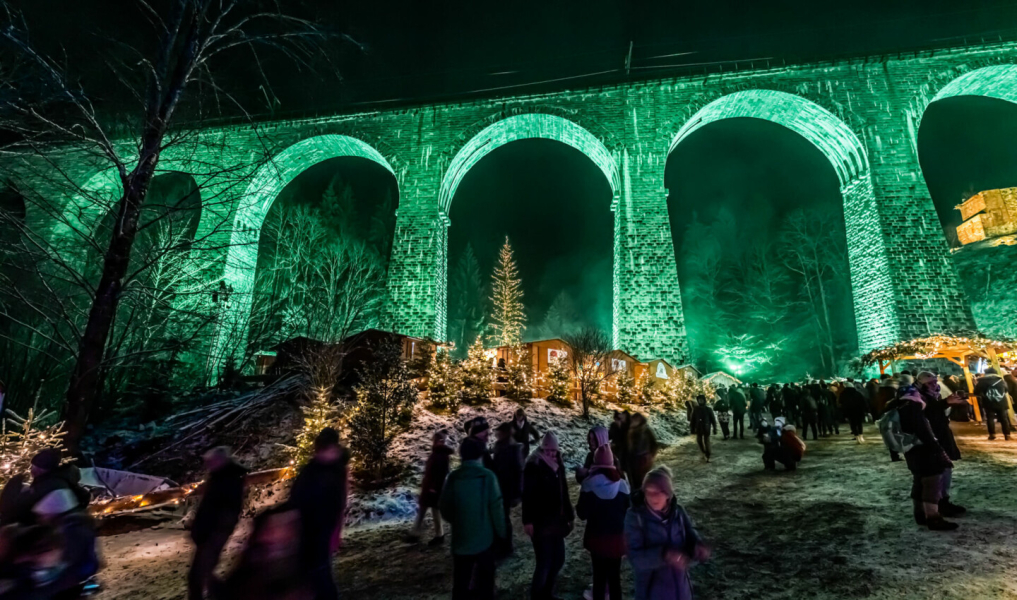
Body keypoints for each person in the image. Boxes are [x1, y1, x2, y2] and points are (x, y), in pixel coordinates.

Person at [625, 466, 709, 600]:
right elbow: (635, 559)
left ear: (668, 494)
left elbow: (690, 534)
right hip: (652, 593)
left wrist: (697, 547)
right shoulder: (636, 518)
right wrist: (664, 555)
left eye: (658, 491)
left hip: (681, 590)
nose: (653, 497)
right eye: (648, 491)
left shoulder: (678, 512)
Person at [440, 437, 506, 600]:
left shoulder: (453, 478)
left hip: (460, 541)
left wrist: (459, 521)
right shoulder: (488, 477)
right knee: (485, 585)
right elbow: (496, 509)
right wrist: (502, 533)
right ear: (480, 455)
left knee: (461, 584)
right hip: (485, 541)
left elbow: (445, 508)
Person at [288, 428, 350, 600]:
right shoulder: (317, 468)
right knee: (315, 569)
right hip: (310, 527)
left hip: (319, 528)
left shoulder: (332, 471)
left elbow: (334, 500)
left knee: (320, 569)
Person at [885, 385, 957, 530]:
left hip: (911, 451)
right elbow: (924, 432)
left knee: (919, 481)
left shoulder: (899, 407)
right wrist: (938, 450)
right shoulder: (913, 408)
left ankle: (920, 514)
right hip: (924, 451)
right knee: (932, 482)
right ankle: (933, 518)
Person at [187, 447, 247, 600]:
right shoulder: (219, 477)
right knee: (200, 574)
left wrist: (215, 532)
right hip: (208, 533)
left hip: (214, 534)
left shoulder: (229, 479)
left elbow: (227, 509)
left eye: (211, 461)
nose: (208, 465)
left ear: (221, 461)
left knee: (201, 574)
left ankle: (227, 595)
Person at [214, 505, 309, 600]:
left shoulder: (301, 580)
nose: (278, 533)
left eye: (290, 525)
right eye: (273, 527)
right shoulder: (246, 579)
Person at [523, 432, 574, 600]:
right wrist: (528, 520)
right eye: (548, 450)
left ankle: (547, 592)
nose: (552, 453)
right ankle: (538, 596)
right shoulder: (534, 465)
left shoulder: (558, 464)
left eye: (554, 450)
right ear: (542, 449)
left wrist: (569, 514)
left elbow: (563, 490)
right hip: (541, 522)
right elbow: (528, 495)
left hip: (556, 521)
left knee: (558, 559)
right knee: (544, 562)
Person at [576, 445, 630, 600]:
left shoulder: (588, 484)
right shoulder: (622, 484)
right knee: (615, 579)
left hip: (596, 539)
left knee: (599, 578)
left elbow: (582, 514)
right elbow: (629, 510)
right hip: (616, 540)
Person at [916, 372, 965, 518]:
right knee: (939, 472)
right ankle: (938, 506)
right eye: (930, 383)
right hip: (933, 438)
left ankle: (942, 502)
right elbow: (928, 413)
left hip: (940, 435)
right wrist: (945, 403)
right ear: (921, 384)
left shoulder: (931, 395)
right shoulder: (919, 397)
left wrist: (948, 404)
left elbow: (936, 412)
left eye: (935, 382)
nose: (935, 385)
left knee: (944, 469)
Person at [4, 449, 90, 526]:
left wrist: (14, 487)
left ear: (49, 469)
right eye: (33, 465)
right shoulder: (51, 480)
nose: (33, 470)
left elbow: (23, 506)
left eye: (39, 467)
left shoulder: (51, 484)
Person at [409, 430, 453, 546]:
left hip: (433, 488)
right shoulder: (438, 453)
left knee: (432, 510)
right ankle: (419, 533)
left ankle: (428, 534)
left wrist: (433, 487)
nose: (433, 442)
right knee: (429, 510)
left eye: (436, 440)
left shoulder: (441, 455)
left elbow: (442, 473)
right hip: (430, 487)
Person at [491, 422, 524, 556]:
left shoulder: (513, 447)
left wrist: (518, 494)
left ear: (504, 433)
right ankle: (501, 543)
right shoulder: (500, 445)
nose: (496, 435)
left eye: (498, 432)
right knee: (500, 516)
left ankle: (506, 545)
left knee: (504, 517)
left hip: (507, 488)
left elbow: (519, 471)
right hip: (499, 485)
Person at [975, 368, 1011, 441]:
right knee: (1004, 418)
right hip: (1001, 402)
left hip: (988, 402)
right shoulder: (1001, 380)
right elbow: (1006, 390)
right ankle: (1007, 435)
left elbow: (976, 392)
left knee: (990, 418)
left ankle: (992, 434)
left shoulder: (982, 381)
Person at [626, 414, 658, 489]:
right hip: (632, 459)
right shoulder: (629, 432)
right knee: (633, 479)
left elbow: (654, 445)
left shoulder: (646, 431)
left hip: (643, 459)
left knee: (642, 479)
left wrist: (650, 456)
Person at [689, 396, 718, 462]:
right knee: (699, 441)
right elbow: (692, 420)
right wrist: (692, 428)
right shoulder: (696, 409)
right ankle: (703, 452)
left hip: (706, 428)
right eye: (699, 400)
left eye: (702, 400)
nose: (700, 401)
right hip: (698, 428)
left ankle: (708, 455)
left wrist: (715, 428)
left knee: (706, 441)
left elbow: (713, 420)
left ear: (704, 400)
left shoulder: (708, 409)